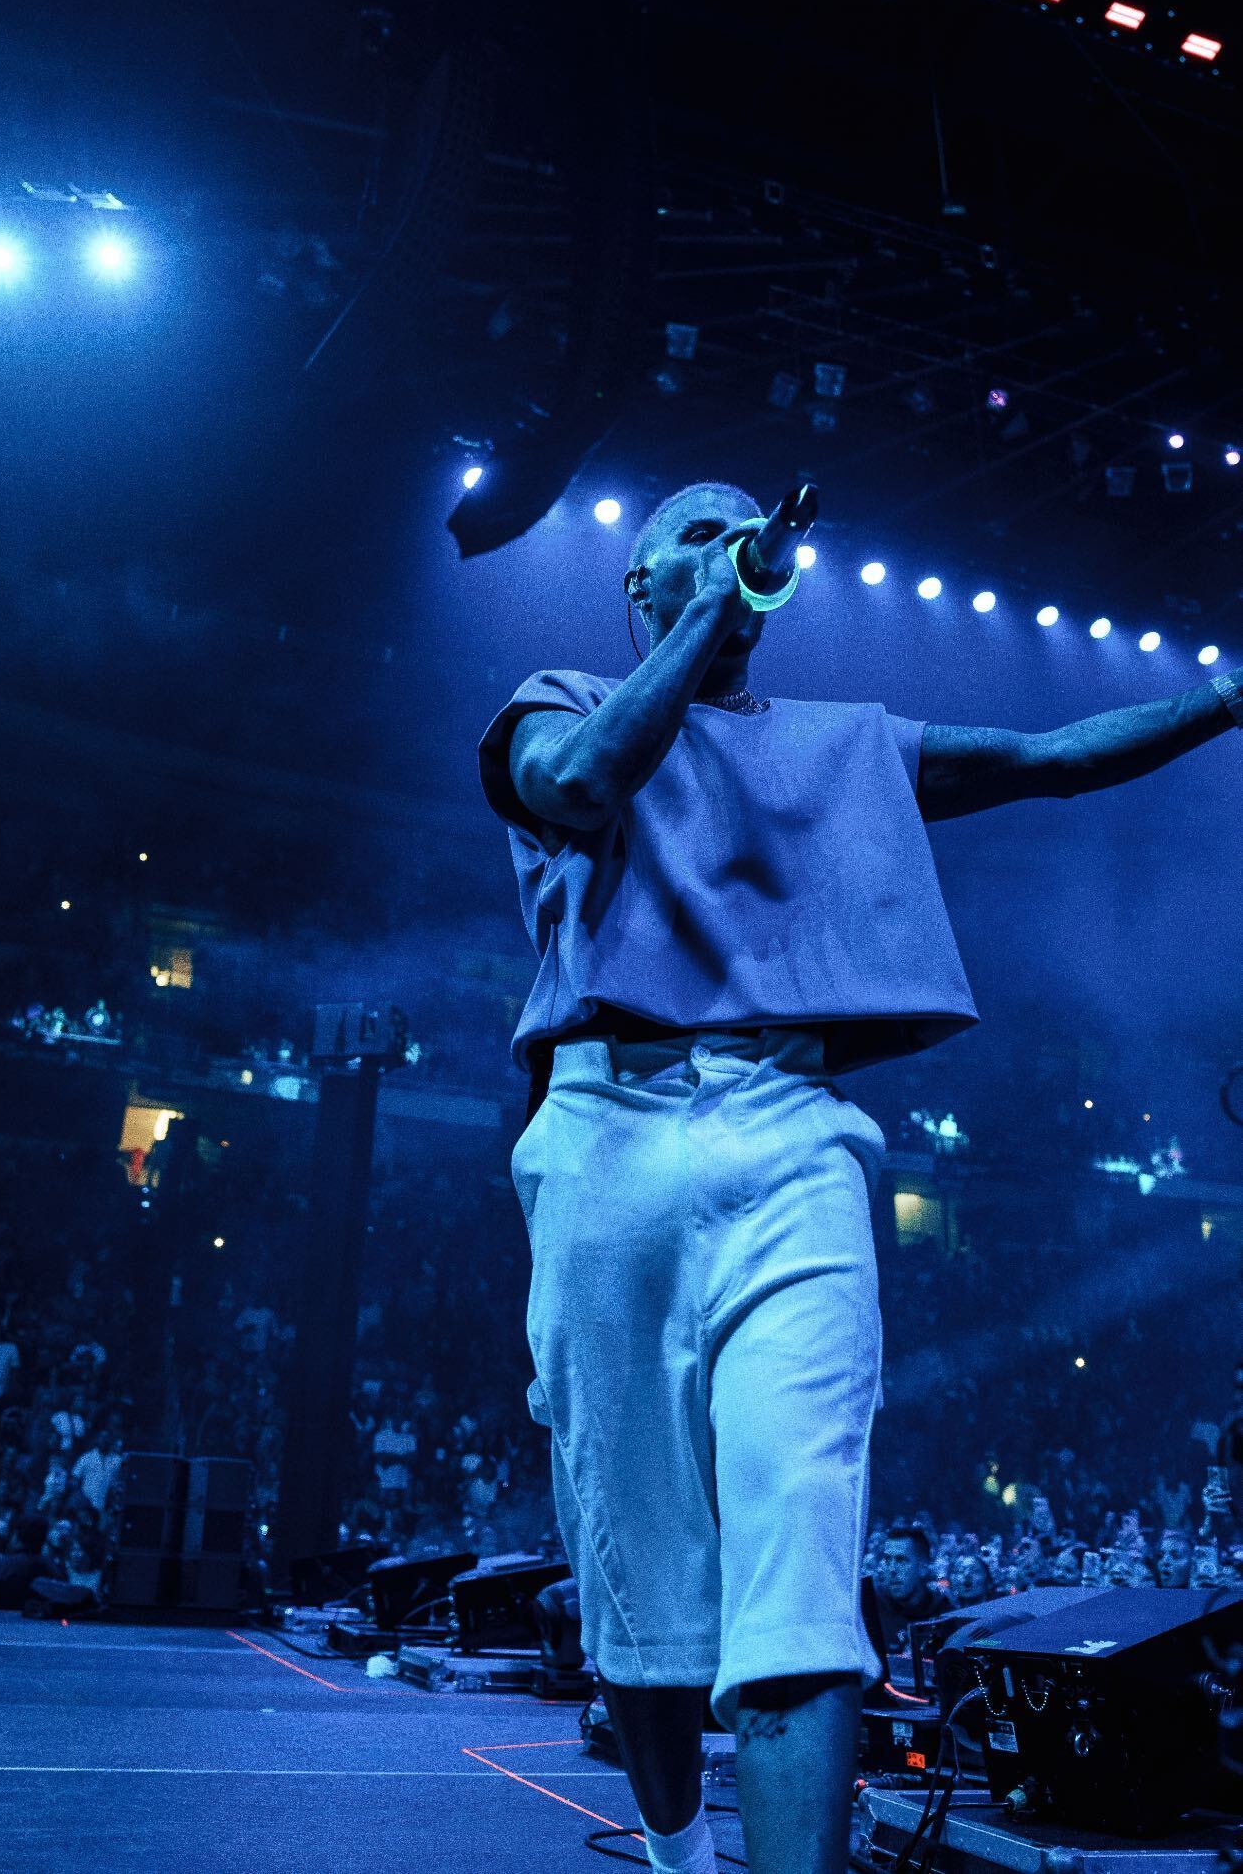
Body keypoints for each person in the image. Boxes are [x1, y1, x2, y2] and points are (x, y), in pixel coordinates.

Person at [478, 475, 1243, 1874]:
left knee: (799, 1555)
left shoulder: (844, 742)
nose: (727, 550)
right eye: (692, 537)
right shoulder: (555, 695)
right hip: (606, 1135)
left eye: (740, 534)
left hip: (790, 1131)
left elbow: (1050, 754)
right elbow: (583, 786)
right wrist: (695, 622)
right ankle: (676, 1852)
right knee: (642, 1576)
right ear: (637, 583)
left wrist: (1223, 697)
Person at [872, 1528, 951, 1649]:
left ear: (923, 1568)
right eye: (887, 1560)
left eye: (901, 1560)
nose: (892, 1569)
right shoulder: (873, 1608)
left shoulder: (946, 1615)